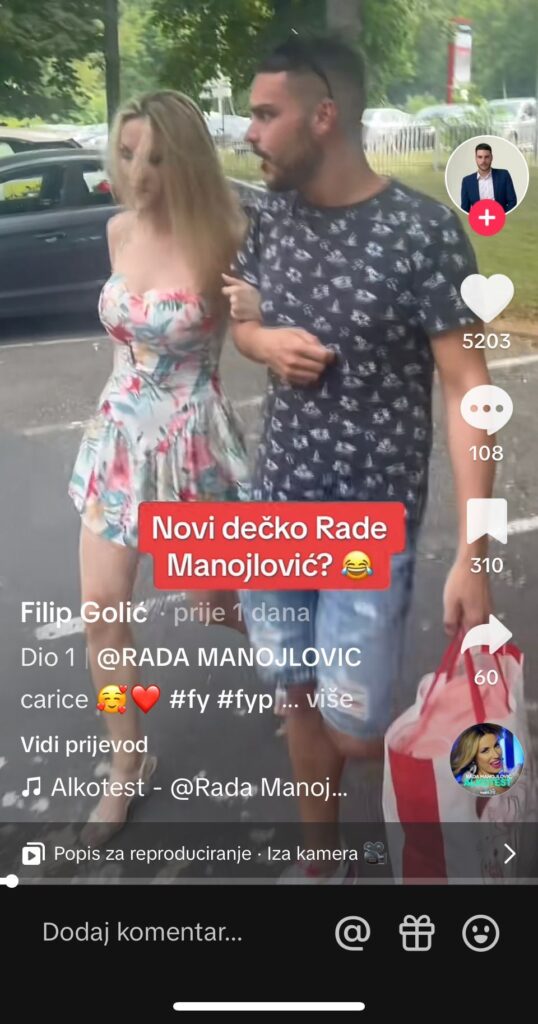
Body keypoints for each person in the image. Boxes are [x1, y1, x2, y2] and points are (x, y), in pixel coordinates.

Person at [229, 36, 495, 883]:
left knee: (354, 729)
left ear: (324, 116)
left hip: (368, 531)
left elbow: (469, 389)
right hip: (276, 513)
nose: (249, 132)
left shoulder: (422, 232)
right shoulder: (269, 219)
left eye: (265, 114)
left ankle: (436, 817)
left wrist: (474, 552)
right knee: (296, 694)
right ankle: (323, 865)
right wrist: (264, 341)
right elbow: (242, 322)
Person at [68, 90, 258, 842]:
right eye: (126, 155)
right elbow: (128, 343)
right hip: (118, 443)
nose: (137, 173)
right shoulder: (117, 231)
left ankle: (299, 673)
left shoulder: (227, 236)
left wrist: (261, 316)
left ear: (187, 161)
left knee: (218, 607)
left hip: (193, 448)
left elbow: (256, 336)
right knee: (100, 613)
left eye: (155, 158)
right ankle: (127, 763)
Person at [451, 724, 523, 797]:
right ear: (473, 758)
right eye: (485, 750)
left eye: (496, 745)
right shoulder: (473, 792)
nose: (496, 755)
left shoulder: (511, 780)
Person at [460, 142, 517, 212]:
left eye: (486, 157)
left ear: (491, 157)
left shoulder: (504, 175)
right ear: (476, 158)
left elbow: (512, 202)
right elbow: (464, 209)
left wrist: (502, 216)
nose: (483, 161)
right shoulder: (467, 181)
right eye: (480, 157)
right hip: (478, 218)